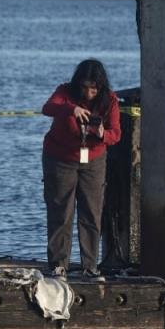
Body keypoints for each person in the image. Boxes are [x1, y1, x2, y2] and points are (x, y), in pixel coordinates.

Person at [41, 59, 121, 280]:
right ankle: (58, 264)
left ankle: (90, 265)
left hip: (93, 159)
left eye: (94, 88)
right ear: (77, 84)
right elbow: (47, 108)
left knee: (91, 213)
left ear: (101, 87)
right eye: (84, 87)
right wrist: (71, 109)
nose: (88, 93)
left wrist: (103, 133)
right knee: (60, 211)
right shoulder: (65, 92)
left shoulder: (110, 100)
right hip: (60, 157)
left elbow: (116, 134)